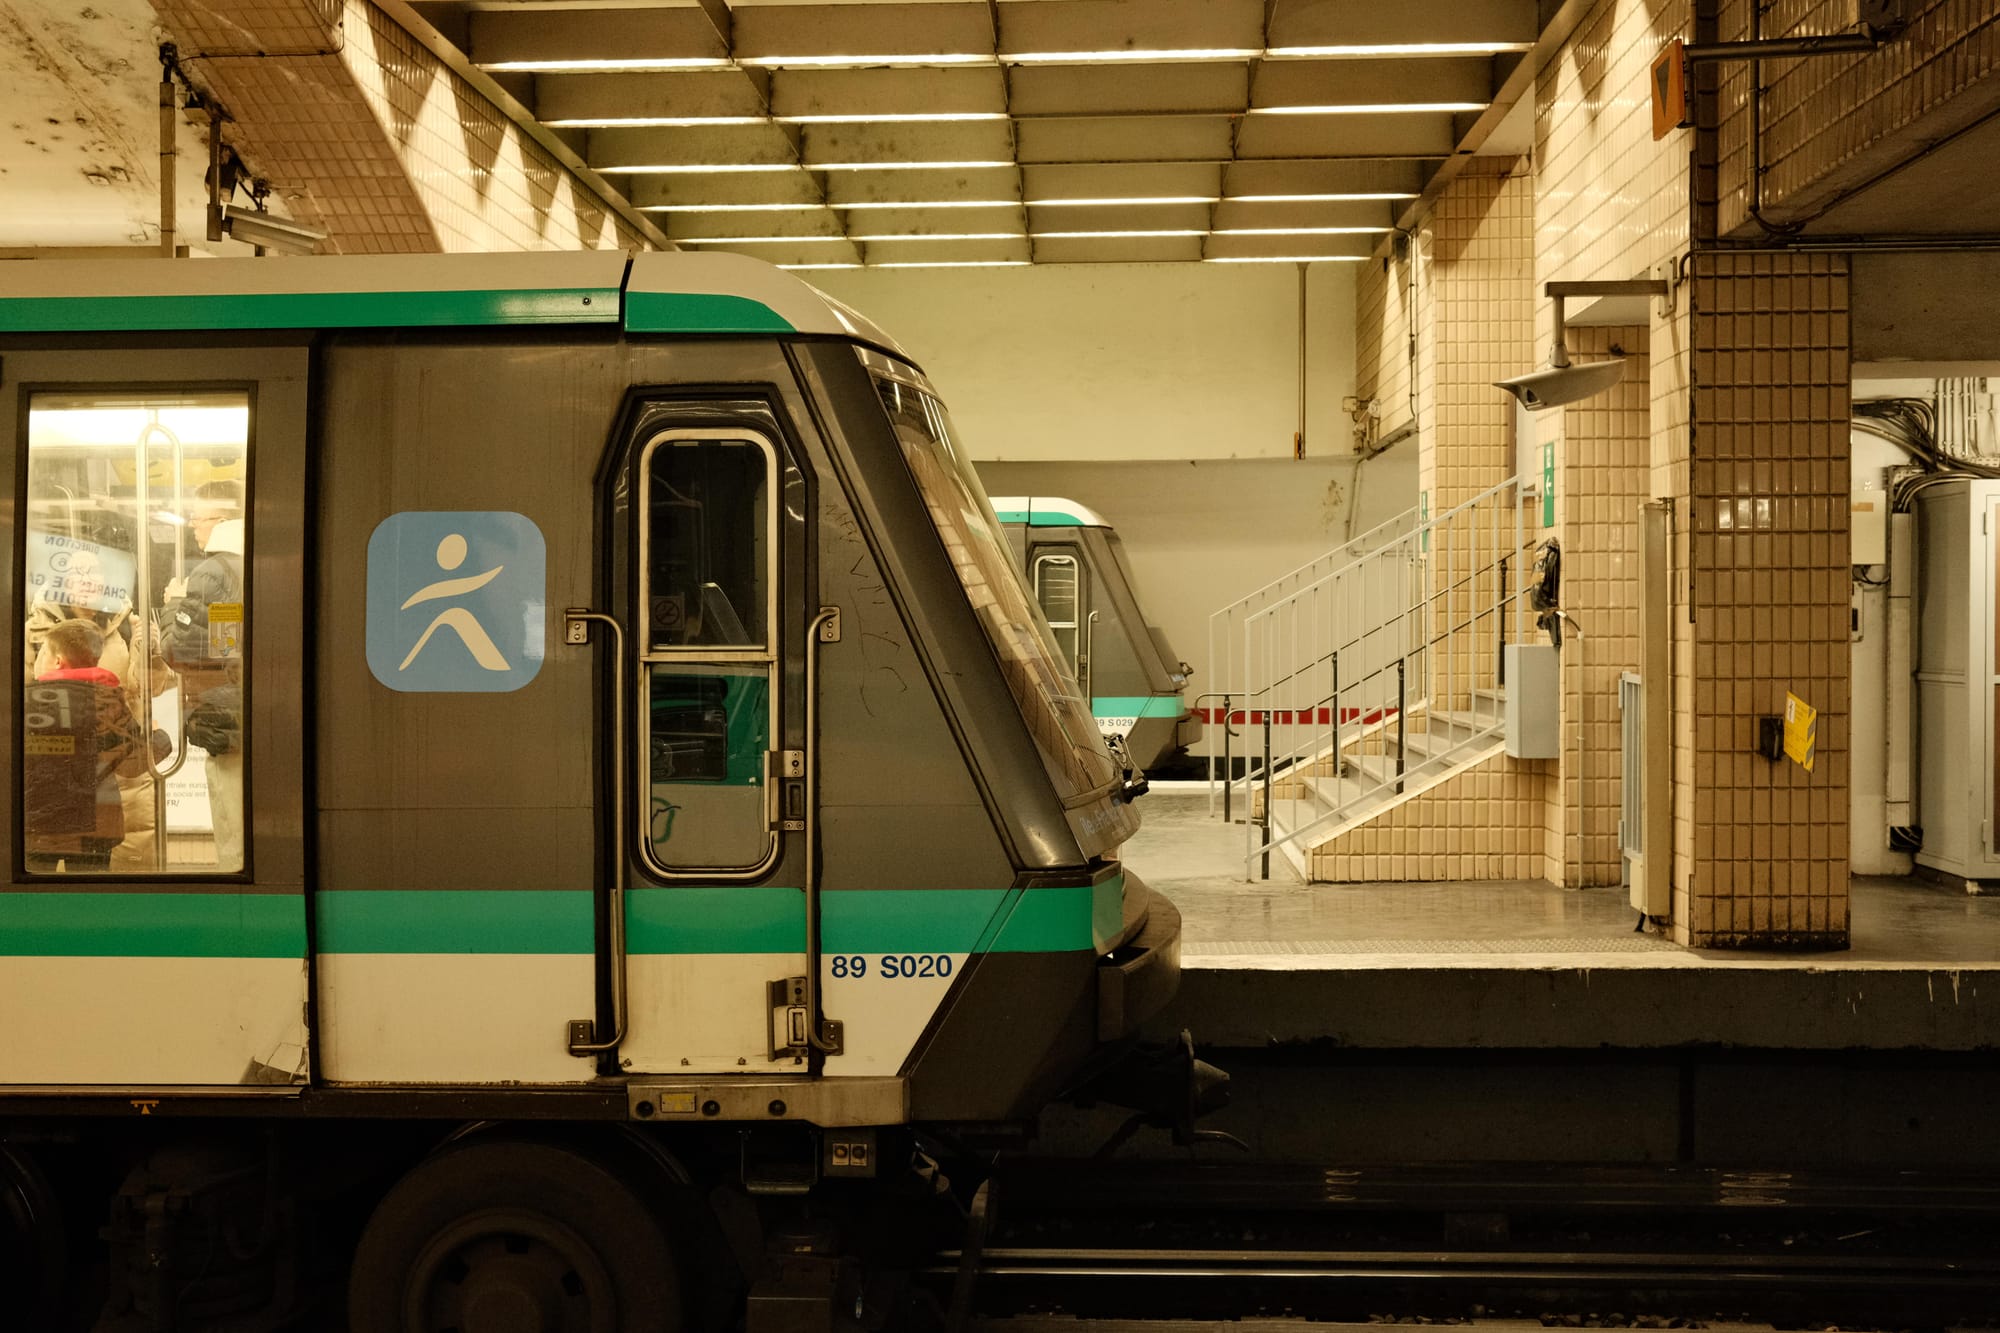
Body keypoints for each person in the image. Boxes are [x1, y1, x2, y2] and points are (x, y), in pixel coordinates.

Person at [24, 545, 174, 871]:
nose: (86, 580)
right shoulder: (35, 629)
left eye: (93, 572)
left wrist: (149, 651)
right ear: (62, 582)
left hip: (112, 759)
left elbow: (150, 687)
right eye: (76, 573)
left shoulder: (126, 625)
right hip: (54, 763)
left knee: (119, 866)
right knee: (42, 872)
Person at [24, 620, 158, 874]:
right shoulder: (108, 700)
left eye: (43, 652)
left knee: (35, 887)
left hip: (39, 821)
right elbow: (131, 765)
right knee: (90, 888)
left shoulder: (29, 699)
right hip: (96, 821)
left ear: (58, 661)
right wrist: (157, 736)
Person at [162, 480, 247, 872]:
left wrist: (174, 605)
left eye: (199, 518)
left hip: (228, 722)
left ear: (223, 520)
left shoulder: (212, 572)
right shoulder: (256, 561)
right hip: (260, 720)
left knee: (235, 839)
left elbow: (184, 653)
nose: (194, 527)